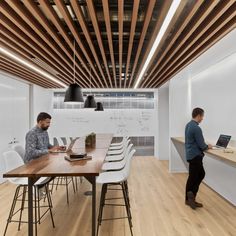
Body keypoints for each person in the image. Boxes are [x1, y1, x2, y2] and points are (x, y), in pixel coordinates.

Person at [185, 108, 213, 209]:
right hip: (195, 156)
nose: (202, 119)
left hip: (190, 154)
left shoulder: (188, 125)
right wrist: (208, 146)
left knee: (195, 176)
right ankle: (191, 196)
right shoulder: (196, 128)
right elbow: (202, 145)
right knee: (197, 176)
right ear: (198, 116)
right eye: (202, 116)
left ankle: (189, 198)